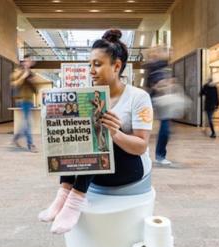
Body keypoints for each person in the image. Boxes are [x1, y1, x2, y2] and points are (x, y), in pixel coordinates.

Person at [38, 29, 154, 234]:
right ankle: (64, 191)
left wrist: (115, 132)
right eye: (90, 64)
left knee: (97, 134)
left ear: (117, 66)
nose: (91, 70)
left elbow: (141, 146)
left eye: (97, 65)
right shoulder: (89, 96)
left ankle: (74, 201)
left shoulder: (138, 97)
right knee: (76, 133)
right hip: (96, 174)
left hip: (129, 169)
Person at [144, 46, 173, 165]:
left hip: (159, 99)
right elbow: (154, 84)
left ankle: (160, 155)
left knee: (165, 128)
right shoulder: (155, 66)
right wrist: (163, 85)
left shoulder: (161, 65)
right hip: (157, 99)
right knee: (163, 128)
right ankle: (159, 155)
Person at [11, 54, 38, 152]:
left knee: (26, 123)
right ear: (23, 62)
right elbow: (14, 83)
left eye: (29, 61)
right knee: (28, 123)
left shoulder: (31, 74)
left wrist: (33, 82)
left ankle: (16, 138)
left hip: (29, 100)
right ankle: (30, 144)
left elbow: (36, 90)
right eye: (26, 61)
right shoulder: (19, 72)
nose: (28, 62)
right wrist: (24, 76)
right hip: (23, 100)